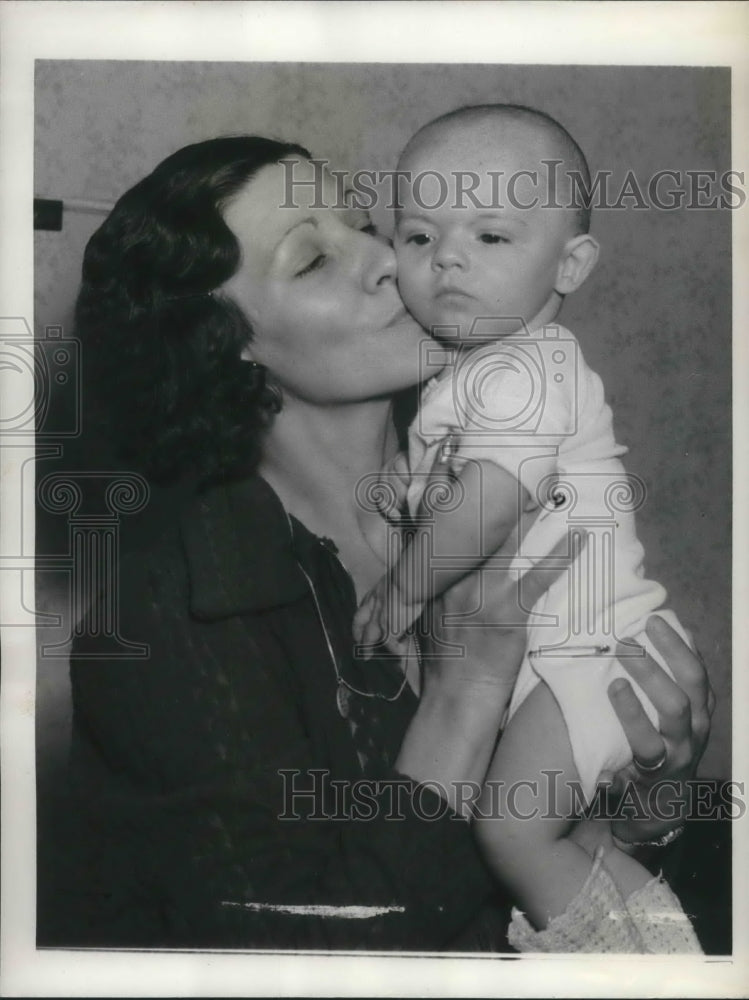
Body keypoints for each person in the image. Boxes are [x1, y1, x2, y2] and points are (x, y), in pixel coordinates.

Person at [45, 135, 713, 952]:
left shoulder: (510, 457)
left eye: (364, 224)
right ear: (226, 345)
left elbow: (578, 885)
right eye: (313, 260)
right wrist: (463, 693)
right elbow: (292, 960)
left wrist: (651, 809)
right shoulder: (164, 618)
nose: (389, 258)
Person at [352, 104, 702, 950]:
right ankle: (665, 952)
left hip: (596, 651)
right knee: (561, 839)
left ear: (570, 263)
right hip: (576, 659)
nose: (448, 261)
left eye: (492, 237)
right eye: (418, 236)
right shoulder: (471, 378)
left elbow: (489, 501)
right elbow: (452, 486)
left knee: (511, 831)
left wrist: (400, 592)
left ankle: (623, 970)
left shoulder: (527, 363)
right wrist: (407, 487)